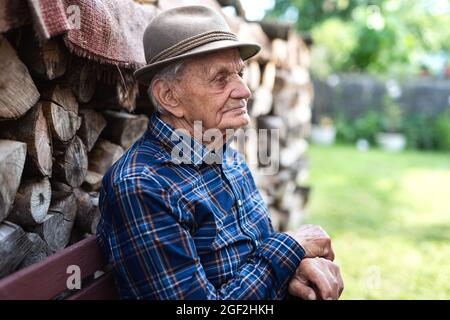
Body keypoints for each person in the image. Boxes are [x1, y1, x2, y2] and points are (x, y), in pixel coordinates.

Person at [96, 5, 343, 300]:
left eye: (240, 73)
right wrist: (291, 247)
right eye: (220, 78)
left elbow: (257, 258)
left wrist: (296, 270)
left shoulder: (228, 157)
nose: (244, 90)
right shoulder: (143, 186)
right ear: (169, 96)